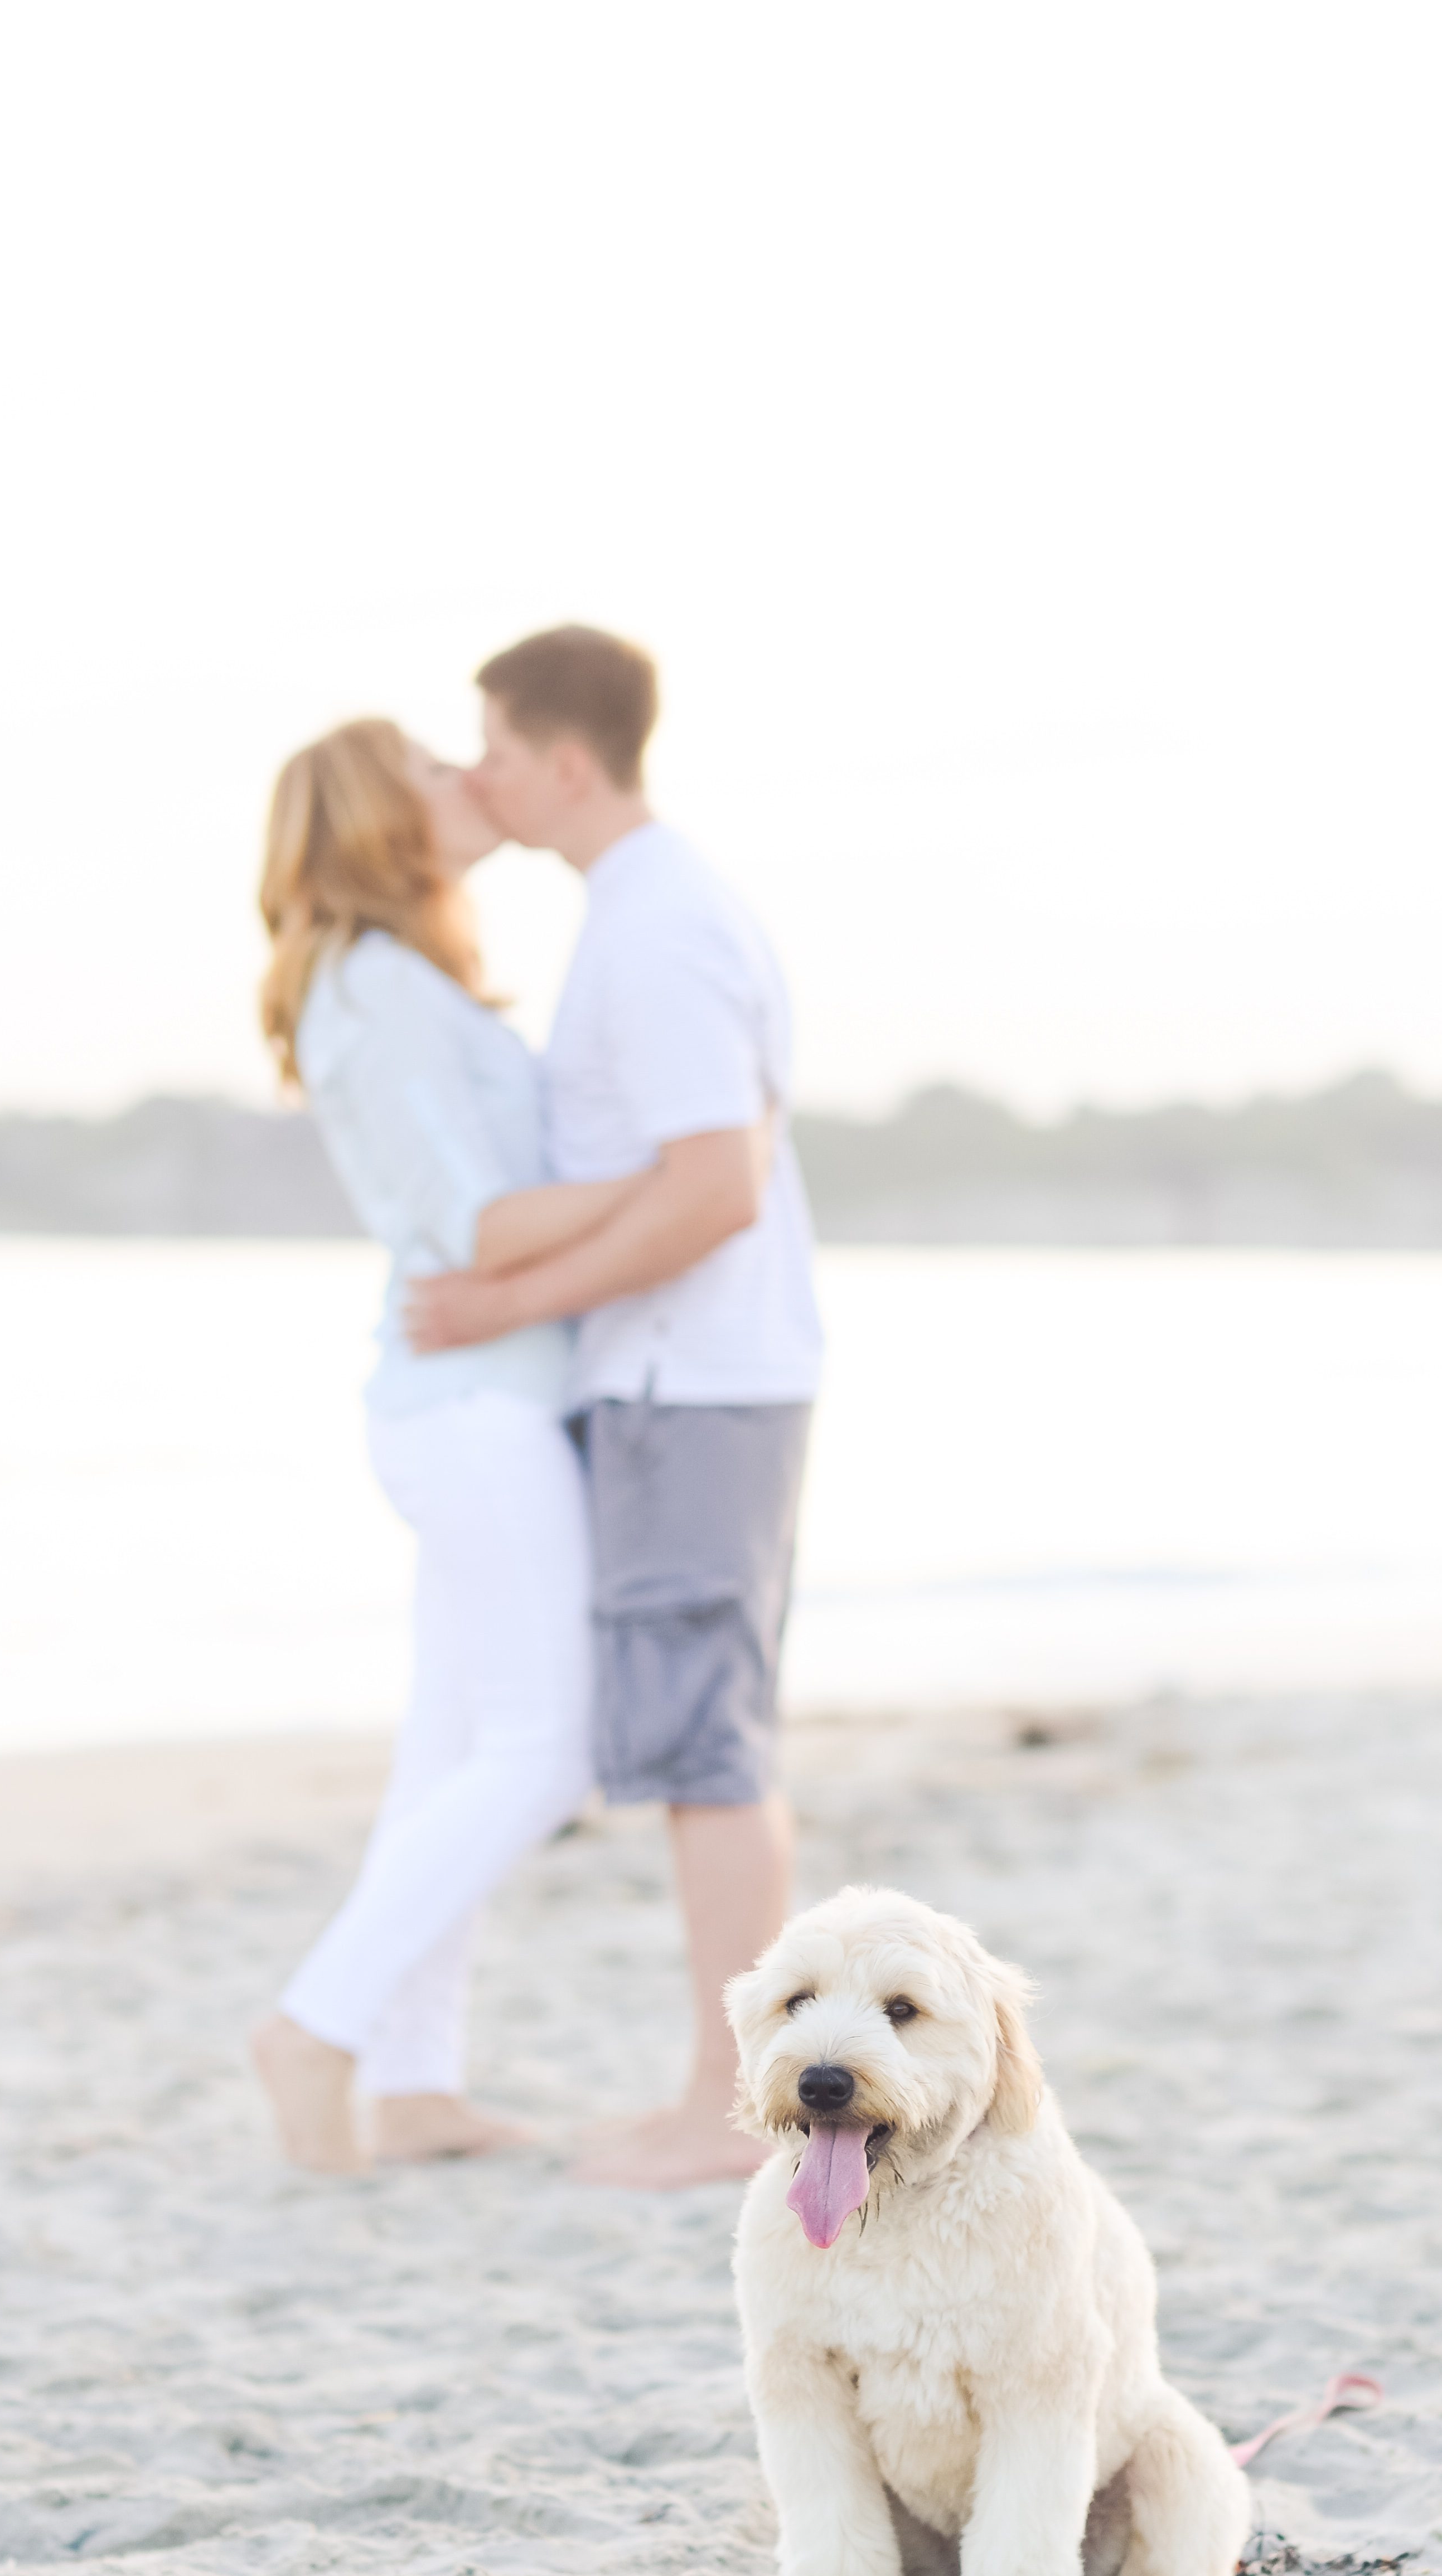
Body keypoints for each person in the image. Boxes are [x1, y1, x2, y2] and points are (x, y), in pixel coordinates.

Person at [406, 627, 824, 2190]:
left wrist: (507, 1302)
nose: (476, 777)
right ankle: (727, 2095)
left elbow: (713, 1187)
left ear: (563, 763)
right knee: (705, 1735)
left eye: (493, 752)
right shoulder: (652, 908)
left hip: (688, 1378)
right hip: (694, 1376)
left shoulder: (654, 929)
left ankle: (727, 2109)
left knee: (702, 1746)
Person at [247, 719, 652, 2174]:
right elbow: (478, 1227)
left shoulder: (406, 983)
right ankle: (317, 2026)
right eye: (429, 769)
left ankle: (413, 2081)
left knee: (453, 1759)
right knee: (543, 1756)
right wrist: (681, 1168)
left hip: (478, 1404)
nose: (459, 780)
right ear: (375, 816)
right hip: (471, 1412)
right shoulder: (382, 989)